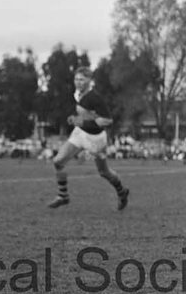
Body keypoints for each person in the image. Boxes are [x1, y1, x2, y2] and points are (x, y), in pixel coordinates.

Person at [48, 67, 129, 211]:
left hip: (96, 139)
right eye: (76, 79)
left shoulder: (95, 98)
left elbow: (108, 120)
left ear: (89, 81)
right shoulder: (77, 94)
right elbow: (87, 115)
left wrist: (84, 122)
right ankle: (63, 195)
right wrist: (77, 120)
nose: (78, 82)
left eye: (81, 79)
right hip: (80, 133)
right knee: (58, 161)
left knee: (104, 172)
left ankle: (122, 192)